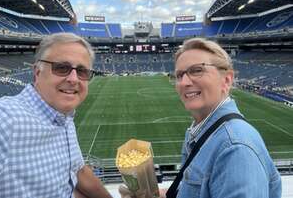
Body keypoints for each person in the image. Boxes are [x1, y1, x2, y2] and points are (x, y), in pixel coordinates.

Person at [119, 38, 282, 198]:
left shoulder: (235, 149)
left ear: (226, 80)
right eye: (179, 75)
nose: (184, 82)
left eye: (197, 70)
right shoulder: (205, 131)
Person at [0, 32, 112, 198]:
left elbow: (78, 170)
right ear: (37, 72)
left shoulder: (64, 116)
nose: (73, 79)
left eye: (82, 71)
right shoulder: (2, 121)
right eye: (61, 68)